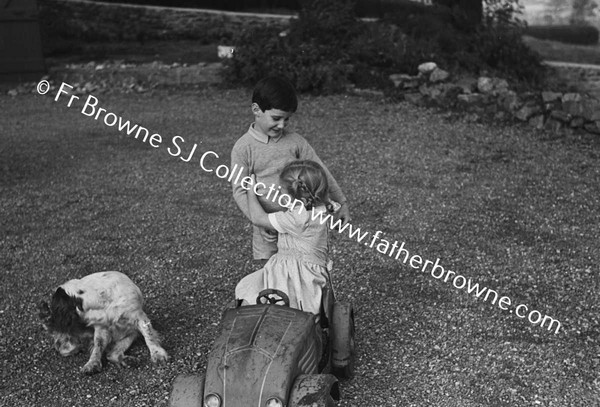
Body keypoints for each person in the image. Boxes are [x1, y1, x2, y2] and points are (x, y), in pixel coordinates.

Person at [230, 75, 350, 265]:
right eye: (276, 118)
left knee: (301, 271)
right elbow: (239, 189)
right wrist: (258, 221)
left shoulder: (296, 142)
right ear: (256, 110)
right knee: (269, 277)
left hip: (300, 224)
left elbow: (320, 171)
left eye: (287, 119)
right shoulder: (243, 148)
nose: (282, 125)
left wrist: (341, 202)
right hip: (266, 227)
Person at [235, 160, 337, 315]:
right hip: (310, 273)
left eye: (281, 190)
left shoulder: (298, 218)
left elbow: (258, 218)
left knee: (252, 289)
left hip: (294, 276)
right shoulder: (320, 209)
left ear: (295, 198)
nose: (278, 192)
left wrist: (251, 190)